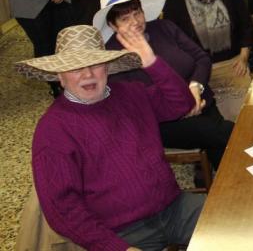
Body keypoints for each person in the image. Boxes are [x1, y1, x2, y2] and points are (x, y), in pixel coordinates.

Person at [20, 24, 204, 250]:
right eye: (75, 67)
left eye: (95, 64)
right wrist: (116, 248)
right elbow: (62, 209)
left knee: (239, 224)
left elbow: (182, 103)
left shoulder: (131, 93)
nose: (87, 74)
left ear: (107, 67)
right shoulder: (53, 130)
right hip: (120, 232)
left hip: (173, 206)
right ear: (60, 76)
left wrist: (151, 62)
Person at [96, 0, 234, 170]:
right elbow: (138, 103)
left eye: (137, 13)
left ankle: (219, 176)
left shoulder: (164, 28)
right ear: (113, 26)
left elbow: (201, 58)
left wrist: (195, 88)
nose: (135, 22)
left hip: (201, 100)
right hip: (165, 121)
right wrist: (183, 105)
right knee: (226, 133)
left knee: (224, 149)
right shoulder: (113, 57)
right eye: (125, 19)